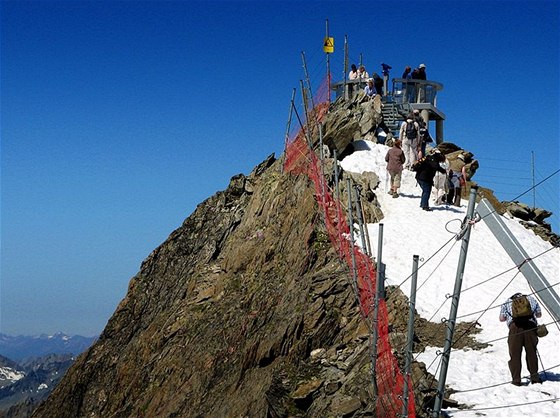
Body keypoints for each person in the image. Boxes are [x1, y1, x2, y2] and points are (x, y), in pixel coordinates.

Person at [499, 293, 543, 385]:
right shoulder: (531, 299)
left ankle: (516, 380)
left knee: (514, 355)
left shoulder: (508, 301)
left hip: (515, 328)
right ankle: (534, 378)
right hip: (530, 327)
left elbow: (502, 318)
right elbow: (539, 314)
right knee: (531, 353)